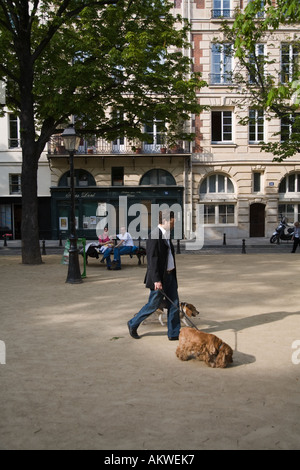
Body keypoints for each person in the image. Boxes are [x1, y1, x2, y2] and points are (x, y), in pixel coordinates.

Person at [127, 210, 181, 341]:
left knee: (174, 304)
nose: (174, 224)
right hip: (160, 279)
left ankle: (174, 333)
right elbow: (152, 260)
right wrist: (156, 280)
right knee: (153, 305)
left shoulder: (166, 234)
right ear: (166, 221)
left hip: (170, 276)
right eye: (173, 221)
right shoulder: (154, 236)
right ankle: (133, 323)